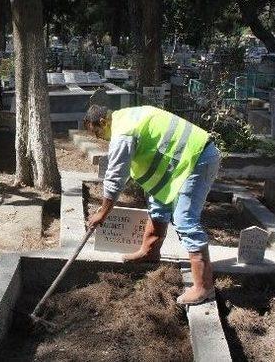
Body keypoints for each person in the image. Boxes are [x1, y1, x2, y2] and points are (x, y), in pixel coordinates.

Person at [84, 104, 221, 305]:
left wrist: (103, 213)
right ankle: (150, 252)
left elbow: (115, 177)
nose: (99, 139)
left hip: (197, 158)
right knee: (158, 202)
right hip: (179, 161)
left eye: (97, 133)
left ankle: (203, 286)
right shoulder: (126, 117)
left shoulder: (123, 132)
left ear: (103, 122)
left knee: (185, 220)